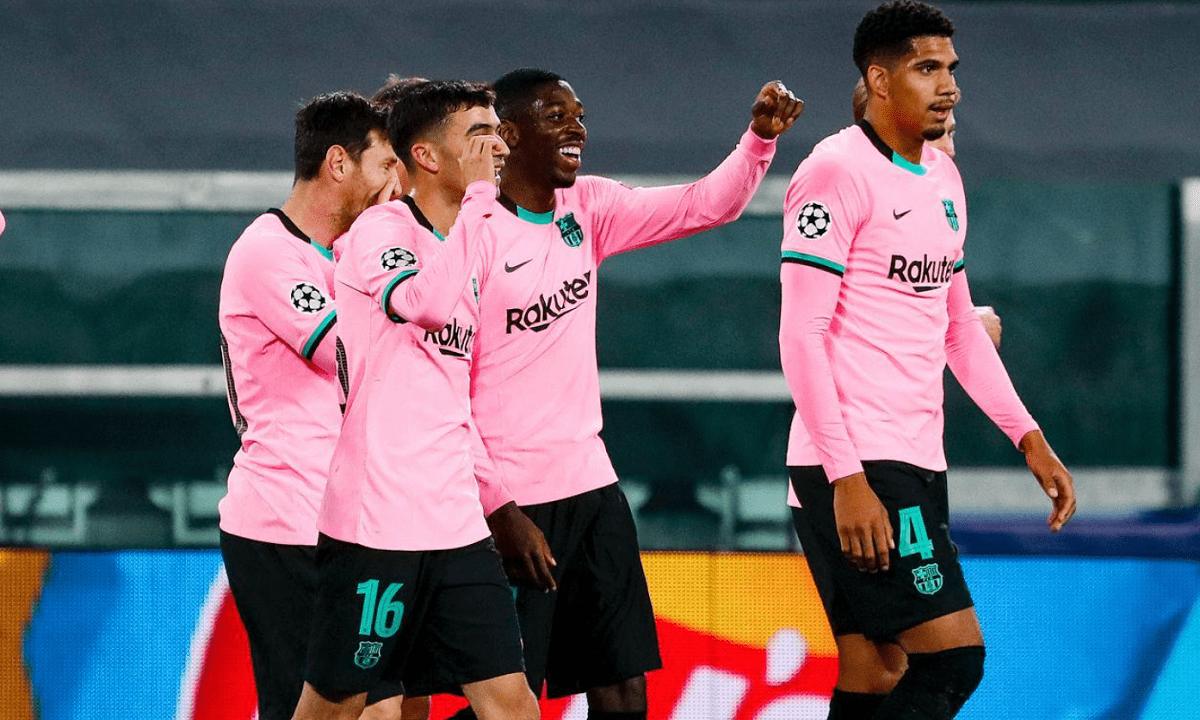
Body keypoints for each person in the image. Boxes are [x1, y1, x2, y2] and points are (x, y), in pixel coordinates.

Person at [464, 68, 802, 720]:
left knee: (625, 693)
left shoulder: (587, 207)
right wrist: (498, 509)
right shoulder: (470, 233)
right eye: (556, 115)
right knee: (504, 704)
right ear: (509, 134)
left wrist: (759, 140)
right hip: (510, 501)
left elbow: (705, 204)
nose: (577, 128)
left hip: (592, 487)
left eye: (579, 115)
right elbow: (447, 390)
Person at [780, 2, 1076, 719]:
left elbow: (960, 329)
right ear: (880, 81)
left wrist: (1028, 437)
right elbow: (800, 335)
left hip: (913, 457)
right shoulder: (834, 171)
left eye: (950, 68)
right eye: (927, 68)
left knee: (876, 671)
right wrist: (848, 478)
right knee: (952, 661)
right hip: (859, 465)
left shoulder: (942, 178)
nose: (950, 86)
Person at [290, 80, 538, 720]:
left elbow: (453, 398)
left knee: (512, 703)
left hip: (455, 526)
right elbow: (422, 304)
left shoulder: (470, 239)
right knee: (339, 707)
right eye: (479, 135)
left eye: (497, 133)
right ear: (425, 156)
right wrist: (480, 201)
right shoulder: (382, 230)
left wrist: (495, 500)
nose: (497, 147)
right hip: (377, 526)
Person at [218, 91, 401, 720]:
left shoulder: (344, 253)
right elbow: (347, 354)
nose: (394, 186)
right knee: (328, 709)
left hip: (351, 521)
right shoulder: (268, 250)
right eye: (385, 165)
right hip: (285, 521)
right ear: (339, 163)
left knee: (389, 707)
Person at [854, 77, 1001, 348]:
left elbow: (954, 314)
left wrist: (961, 325)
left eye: (950, 133)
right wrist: (957, 327)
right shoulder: (852, 201)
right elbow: (845, 321)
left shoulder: (938, 208)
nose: (950, 150)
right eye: (935, 134)